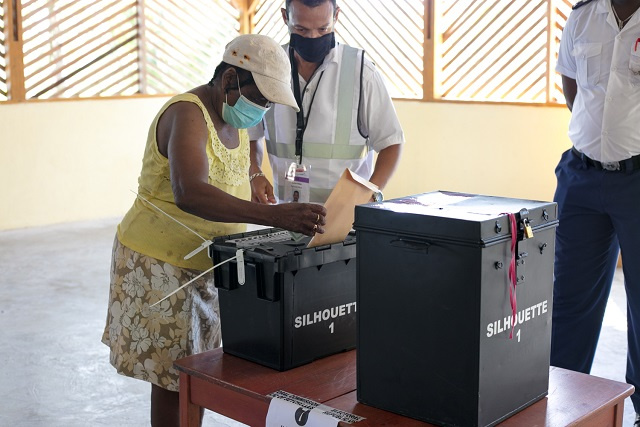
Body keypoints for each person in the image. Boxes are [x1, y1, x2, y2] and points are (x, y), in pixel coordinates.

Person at [101, 34, 326, 427]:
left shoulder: (232, 119)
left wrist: (257, 182)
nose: (263, 109)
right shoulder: (188, 113)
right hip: (161, 266)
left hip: (208, 265)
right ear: (229, 81)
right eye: (260, 99)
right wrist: (279, 218)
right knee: (174, 378)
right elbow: (190, 192)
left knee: (197, 372)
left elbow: (230, 177)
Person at [551, 0, 640, 424]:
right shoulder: (583, 15)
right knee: (569, 297)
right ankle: (562, 401)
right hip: (581, 176)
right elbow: (571, 82)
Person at [248, 0, 404, 205]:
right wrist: (255, 172)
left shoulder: (361, 71)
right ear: (286, 17)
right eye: (301, 29)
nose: (313, 37)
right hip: (285, 213)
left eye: (323, 29)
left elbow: (391, 143)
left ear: (336, 16)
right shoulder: (267, 69)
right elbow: (250, 134)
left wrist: (369, 193)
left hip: (344, 219)